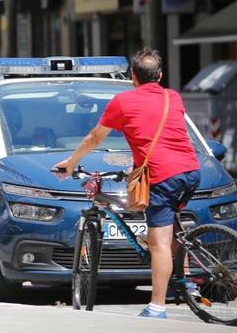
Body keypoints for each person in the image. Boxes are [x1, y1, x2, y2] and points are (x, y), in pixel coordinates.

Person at [54, 48, 200, 319]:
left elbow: (95, 138)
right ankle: (186, 278)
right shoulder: (173, 97)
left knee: (160, 244)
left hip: (161, 174)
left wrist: (71, 162)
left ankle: (157, 307)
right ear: (160, 75)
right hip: (191, 171)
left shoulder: (122, 101)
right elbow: (167, 130)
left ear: (133, 76)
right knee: (172, 226)